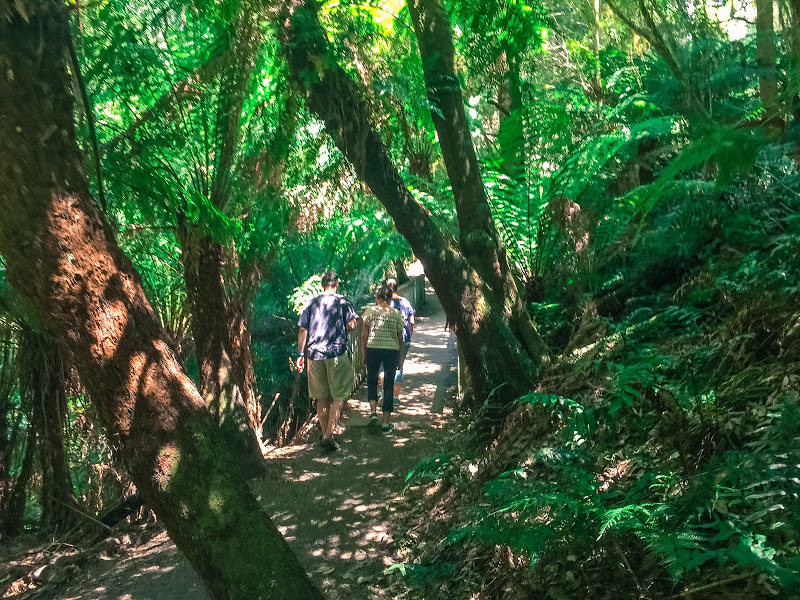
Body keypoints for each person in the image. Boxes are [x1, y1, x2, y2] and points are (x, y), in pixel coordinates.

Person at [297, 272, 359, 452]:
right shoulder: (342, 302)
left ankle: (326, 436)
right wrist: (344, 327)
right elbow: (353, 324)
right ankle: (327, 436)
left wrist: (300, 354)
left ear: (322, 285)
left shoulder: (311, 303)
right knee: (339, 395)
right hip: (337, 353)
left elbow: (303, 329)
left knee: (321, 396)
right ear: (336, 285)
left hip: (314, 355)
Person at [360, 283, 404, 433]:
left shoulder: (370, 311)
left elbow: (364, 335)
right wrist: (400, 358)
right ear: (390, 298)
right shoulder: (396, 313)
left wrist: (364, 353)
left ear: (377, 297)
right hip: (391, 351)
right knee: (388, 385)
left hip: (373, 348)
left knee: (372, 381)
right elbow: (400, 338)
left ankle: (373, 412)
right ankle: (386, 423)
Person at [385, 278, 415, 406]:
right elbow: (411, 321)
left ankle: (386, 393)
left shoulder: (384, 304)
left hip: (387, 339)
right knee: (399, 365)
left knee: (386, 366)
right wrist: (409, 335)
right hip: (403, 338)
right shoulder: (405, 302)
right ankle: (395, 396)